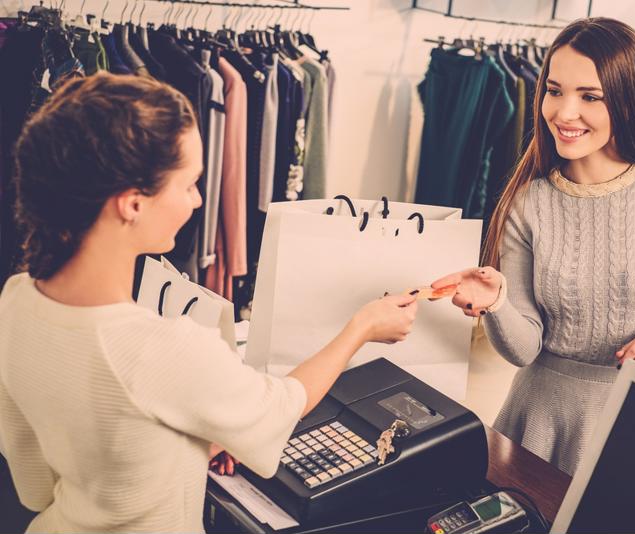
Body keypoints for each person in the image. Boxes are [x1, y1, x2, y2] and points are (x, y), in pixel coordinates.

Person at [0, 72, 417, 532]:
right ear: (132, 203)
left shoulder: (16, 300)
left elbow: (35, 482)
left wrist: (177, 448)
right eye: (189, 184)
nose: (198, 201)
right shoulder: (165, 348)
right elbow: (279, 406)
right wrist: (360, 328)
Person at [431, 18, 635, 475]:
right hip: (538, 420)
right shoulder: (527, 202)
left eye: (590, 97)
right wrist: (498, 304)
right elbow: (524, 350)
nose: (564, 113)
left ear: (625, 100)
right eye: (554, 90)